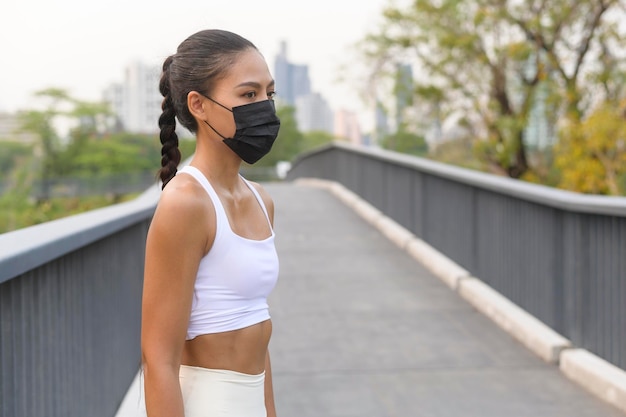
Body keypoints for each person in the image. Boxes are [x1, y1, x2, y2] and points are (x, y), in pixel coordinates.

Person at [141, 29, 281, 417]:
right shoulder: (185, 204)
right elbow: (159, 361)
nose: (265, 107)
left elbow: (257, 327)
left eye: (269, 94)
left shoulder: (260, 201)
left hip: (249, 400)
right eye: (248, 94)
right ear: (199, 105)